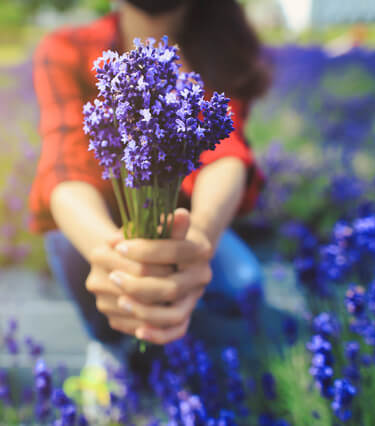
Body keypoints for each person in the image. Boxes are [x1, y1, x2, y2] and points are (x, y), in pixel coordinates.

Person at [28, 0, 271, 360]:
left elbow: (224, 151)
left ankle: (177, 344)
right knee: (71, 245)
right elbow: (64, 165)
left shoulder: (222, 47)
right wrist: (114, 258)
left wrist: (198, 242)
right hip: (103, 217)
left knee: (243, 288)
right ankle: (110, 345)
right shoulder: (68, 47)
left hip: (181, 219)